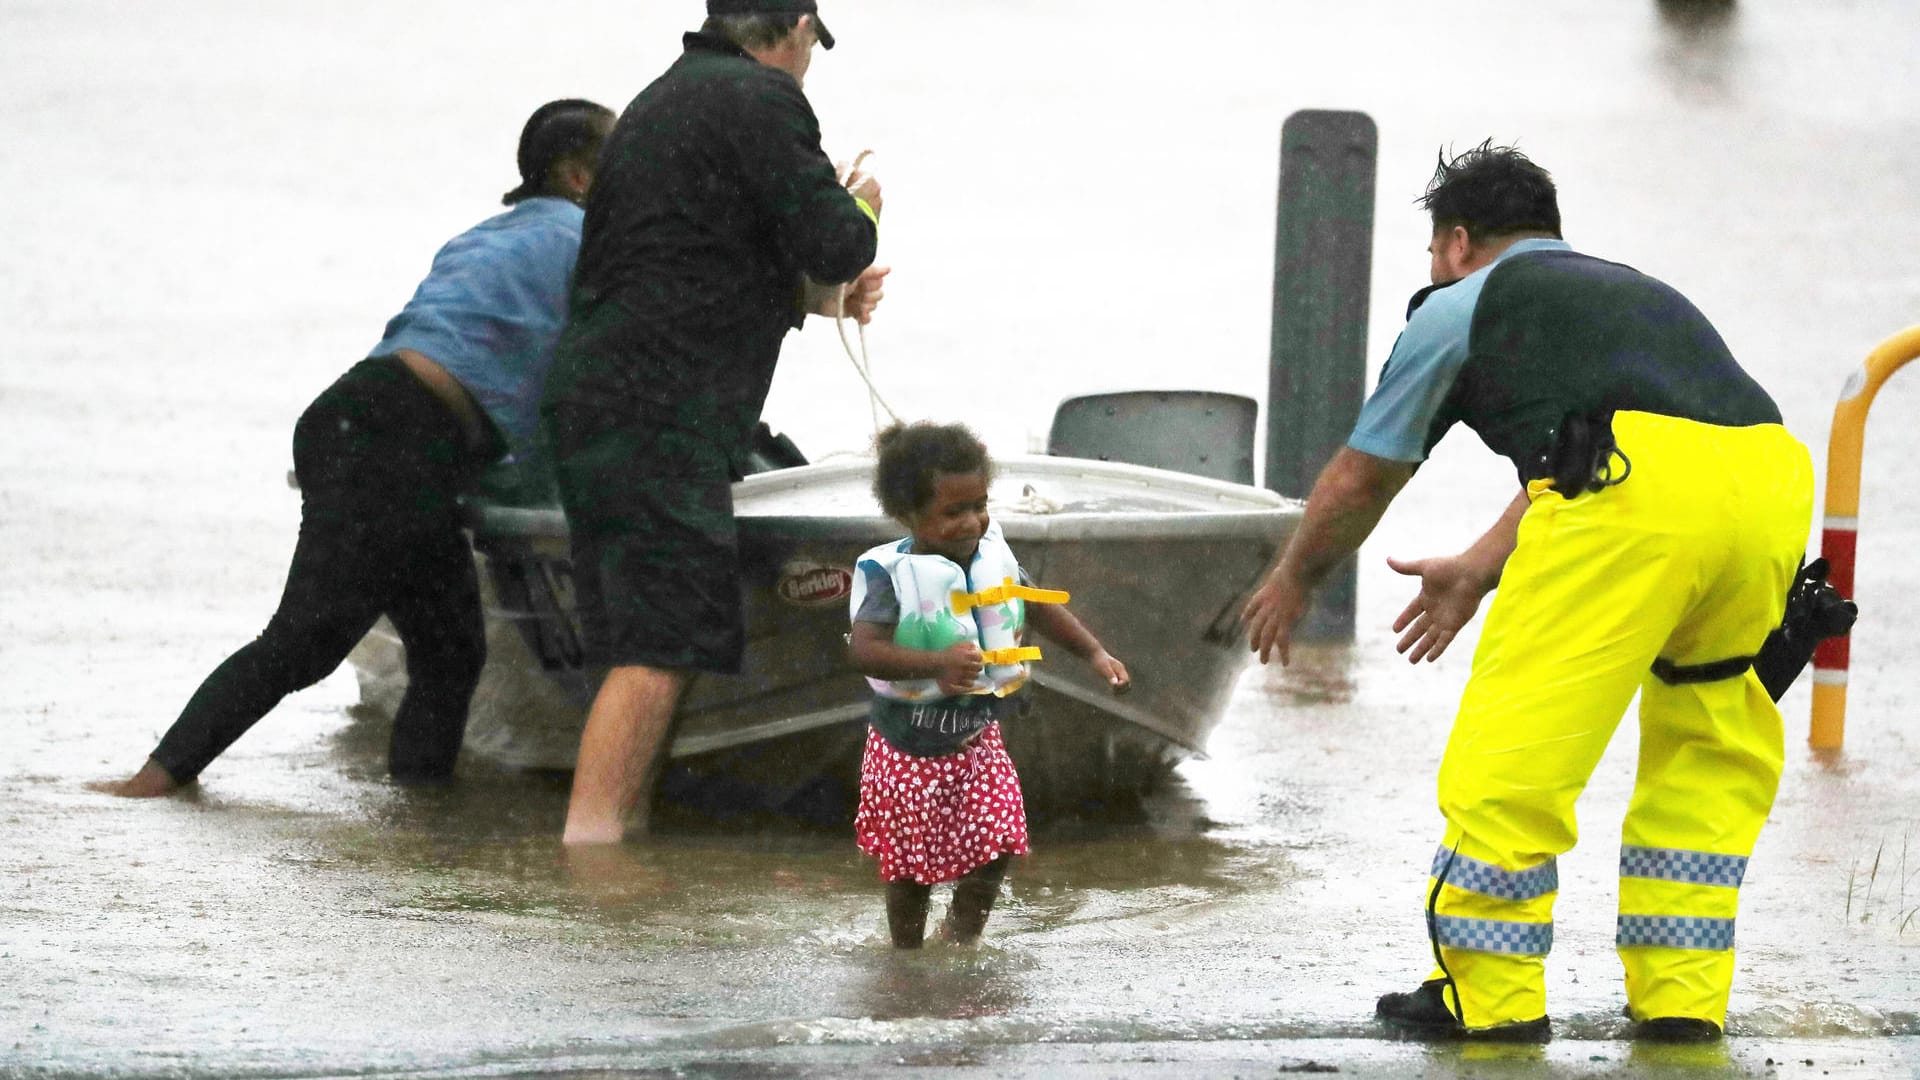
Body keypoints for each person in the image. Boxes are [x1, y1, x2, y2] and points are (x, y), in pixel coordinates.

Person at [1241, 141, 1813, 1042]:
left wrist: (1293, 575)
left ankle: (1490, 999)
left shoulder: (1460, 305)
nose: (1435, 269)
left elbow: (1363, 476)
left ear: (1458, 240)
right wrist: (1478, 564)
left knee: (1514, 759)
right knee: (1709, 747)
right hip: (1773, 487)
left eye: (1435, 252)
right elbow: (1616, 442)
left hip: (1635, 505)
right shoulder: (1632, 290)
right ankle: (1681, 1002)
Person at [91, 99, 618, 797]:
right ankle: (151, 782)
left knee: (450, 650)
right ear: (580, 177)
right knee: (306, 641)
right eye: (622, 158)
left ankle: (419, 810)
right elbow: (584, 380)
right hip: (399, 438)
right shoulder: (589, 241)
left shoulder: (482, 237)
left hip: (366, 417)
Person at [540, 0, 890, 844]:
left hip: (605, 399)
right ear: (800, 29)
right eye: (811, 49)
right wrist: (864, 207)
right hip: (658, 413)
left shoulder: (662, 101)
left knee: (642, 637)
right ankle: (594, 855)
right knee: (655, 647)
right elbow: (838, 239)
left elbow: (681, 257)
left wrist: (809, 299)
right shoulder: (764, 99)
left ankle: (614, 844)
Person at [848, 421, 1131, 947]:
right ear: (909, 515)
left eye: (980, 505)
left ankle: (959, 944)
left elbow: (1038, 608)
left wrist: (1094, 653)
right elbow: (864, 649)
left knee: (998, 847)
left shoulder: (992, 559)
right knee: (911, 872)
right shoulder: (893, 575)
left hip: (978, 742)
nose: (973, 521)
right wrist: (934, 663)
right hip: (908, 751)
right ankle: (907, 960)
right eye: (953, 511)